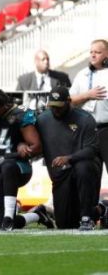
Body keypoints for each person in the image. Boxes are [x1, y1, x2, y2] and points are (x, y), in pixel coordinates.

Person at [0, 87, 50, 231]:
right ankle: (38, 215)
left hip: (18, 167)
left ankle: (9, 215)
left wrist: (21, 149)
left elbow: (37, 147)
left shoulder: (19, 115)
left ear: (3, 106)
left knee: (7, 165)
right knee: (1, 223)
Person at [38, 86, 107, 230]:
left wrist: (69, 158)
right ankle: (102, 209)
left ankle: (87, 217)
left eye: (59, 107)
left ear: (69, 102)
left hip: (84, 170)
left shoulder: (85, 118)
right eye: (52, 107)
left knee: (83, 166)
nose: (55, 110)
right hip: (60, 176)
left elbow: (92, 149)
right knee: (65, 224)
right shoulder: (43, 120)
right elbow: (29, 137)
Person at [70, 39, 108, 178]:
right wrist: (88, 95)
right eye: (91, 52)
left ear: (106, 55)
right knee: (89, 172)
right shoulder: (82, 74)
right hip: (86, 131)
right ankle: (91, 200)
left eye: (97, 52)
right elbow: (70, 100)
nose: (93, 55)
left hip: (106, 129)